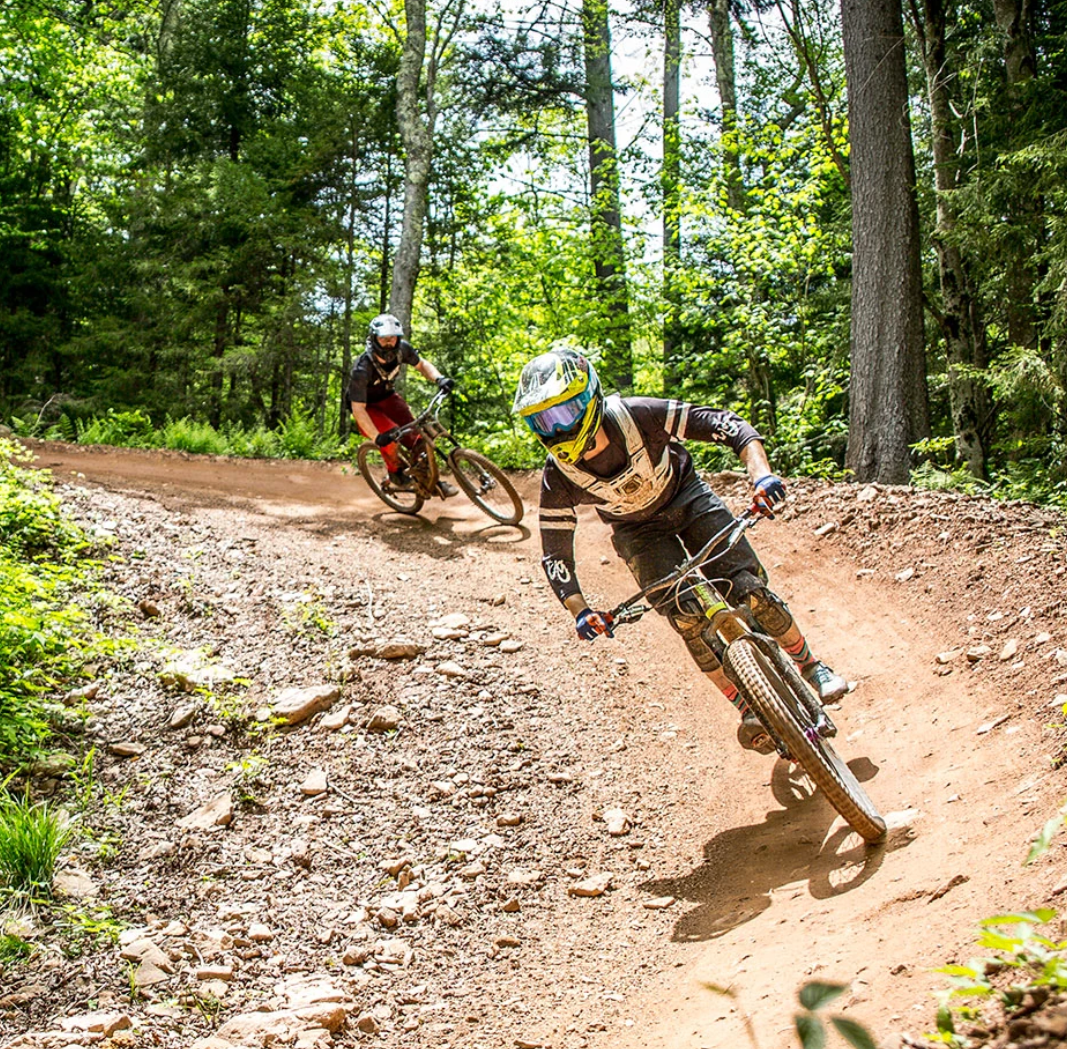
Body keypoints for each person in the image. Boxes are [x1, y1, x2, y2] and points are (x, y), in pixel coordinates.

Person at [511, 345, 849, 752]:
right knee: (688, 622)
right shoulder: (558, 476)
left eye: (562, 414)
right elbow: (555, 553)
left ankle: (812, 667)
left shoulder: (640, 415)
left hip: (689, 501)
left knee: (750, 592)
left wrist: (761, 477)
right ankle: (747, 708)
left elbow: (730, 425)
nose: (556, 430)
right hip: (639, 534)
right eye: (541, 421)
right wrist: (580, 611)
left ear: (589, 398)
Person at [346, 313, 457, 495]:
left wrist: (439, 378)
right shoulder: (362, 369)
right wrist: (377, 437)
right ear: (374, 339)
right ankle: (395, 473)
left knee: (417, 437)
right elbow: (358, 408)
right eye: (383, 338)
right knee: (390, 437)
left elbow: (421, 365)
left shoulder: (402, 350)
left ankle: (430, 481)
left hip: (388, 398)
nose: (389, 342)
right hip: (367, 408)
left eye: (393, 338)